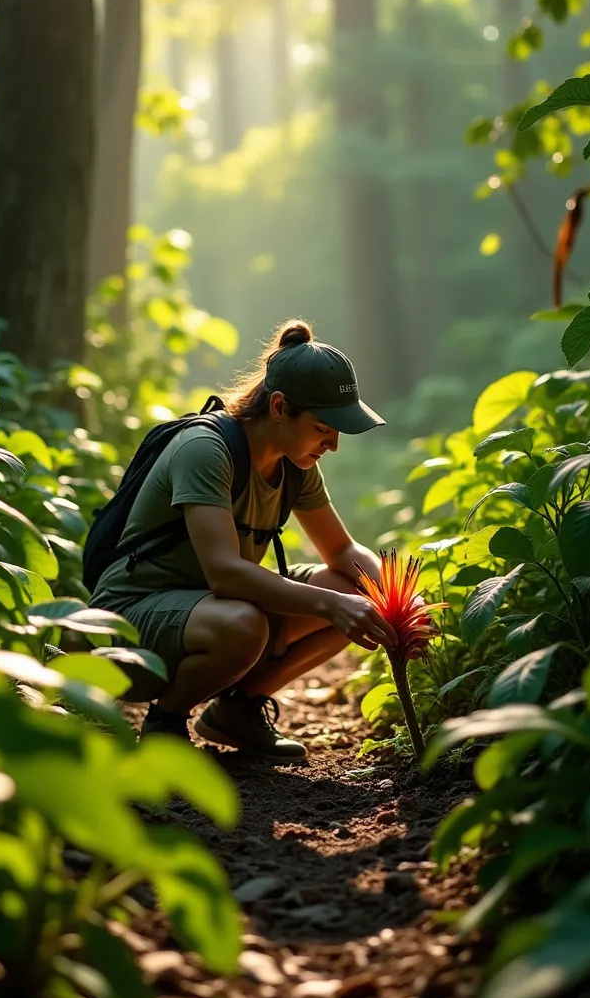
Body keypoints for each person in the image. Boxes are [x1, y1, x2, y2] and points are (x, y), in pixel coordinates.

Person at [90, 321, 396, 764]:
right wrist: (329, 606)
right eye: (323, 427)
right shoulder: (205, 449)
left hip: (207, 610)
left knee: (354, 588)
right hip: (130, 619)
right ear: (278, 407)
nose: (333, 445)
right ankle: (166, 724)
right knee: (245, 623)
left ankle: (237, 710)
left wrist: (390, 598)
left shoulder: (296, 464)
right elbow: (226, 573)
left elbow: (344, 553)